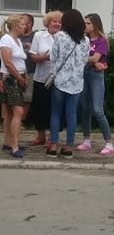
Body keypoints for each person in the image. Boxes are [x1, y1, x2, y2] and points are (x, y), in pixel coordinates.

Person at [47, 9, 90, 158]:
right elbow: (85, 60)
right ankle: (68, 147)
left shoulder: (60, 36)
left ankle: (53, 146)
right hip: (76, 83)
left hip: (60, 80)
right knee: (72, 115)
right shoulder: (86, 40)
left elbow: (53, 57)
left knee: (56, 113)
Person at [76, 13, 114, 156]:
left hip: (95, 75)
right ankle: (86, 140)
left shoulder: (101, 40)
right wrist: (91, 60)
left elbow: (95, 58)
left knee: (98, 110)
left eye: (88, 23)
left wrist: (89, 60)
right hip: (83, 74)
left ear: (95, 25)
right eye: (84, 23)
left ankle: (109, 142)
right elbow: (91, 59)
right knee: (84, 108)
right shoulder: (82, 39)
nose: (85, 26)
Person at [29, 10, 62, 147]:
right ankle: (40, 136)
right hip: (41, 78)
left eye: (60, 22)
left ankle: (52, 136)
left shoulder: (63, 37)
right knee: (40, 107)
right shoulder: (39, 35)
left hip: (58, 79)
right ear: (48, 22)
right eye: (55, 21)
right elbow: (32, 56)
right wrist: (43, 57)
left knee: (55, 108)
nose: (57, 24)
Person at [0, 14, 29, 158]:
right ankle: (15, 146)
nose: (25, 27)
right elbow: (8, 62)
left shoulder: (17, 40)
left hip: (18, 77)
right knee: (18, 111)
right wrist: (19, 78)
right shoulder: (6, 39)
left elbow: (20, 61)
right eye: (23, 24)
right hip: (11, 79)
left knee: (10, 113)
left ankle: (8, 142)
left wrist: (25, 76)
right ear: (15, 25)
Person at [19, 13, 35, 112]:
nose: (22, 24)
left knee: (27, 97)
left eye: (25, 22)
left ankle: (23, 119)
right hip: (17, 72)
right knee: (16, 97)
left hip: (31, 71)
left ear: (30, 24)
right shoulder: (17, 36)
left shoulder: (35, 36)